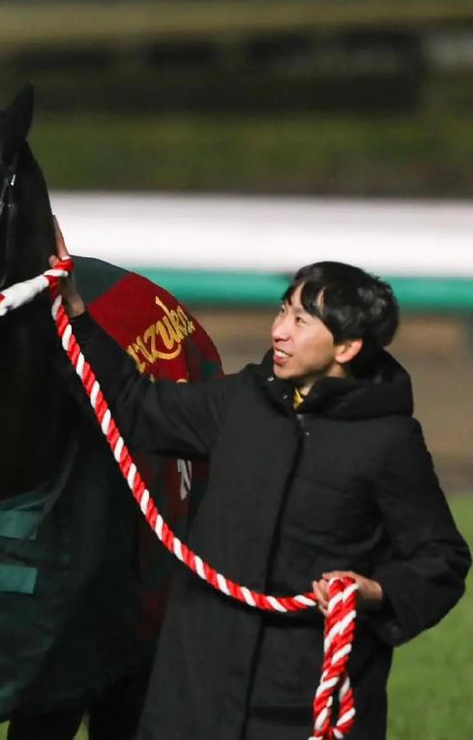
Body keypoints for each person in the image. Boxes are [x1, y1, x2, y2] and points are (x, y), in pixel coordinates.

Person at [49, 219, 469, 740]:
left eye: (301, 321)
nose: (279, 331)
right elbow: (137, 407)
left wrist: (377, 591)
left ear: (347, 348)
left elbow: (441, 558)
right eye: (282, 311)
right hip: (193, 692)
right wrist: (77, 316)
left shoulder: (389, 441)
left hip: (305, 700)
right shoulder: (240, 400)